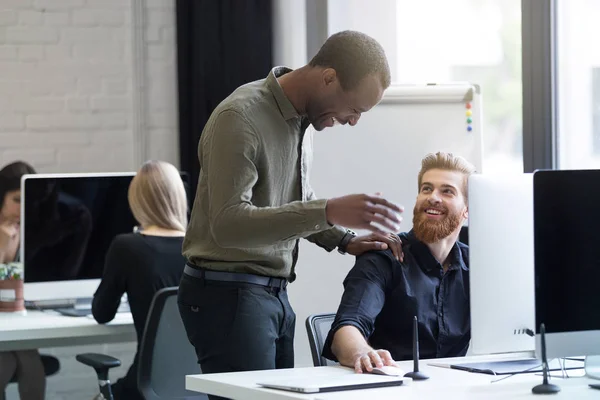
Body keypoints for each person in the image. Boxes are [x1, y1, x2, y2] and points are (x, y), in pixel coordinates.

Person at [178, 30, 405, 394]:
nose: (352, 121)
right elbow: (228, 224)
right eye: (354, 108)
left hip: (272, 295)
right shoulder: (240, 117)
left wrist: (345, 241)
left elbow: (291, 199)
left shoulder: (303, 119)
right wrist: (328, 210)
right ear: (328, 77)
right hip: (229, 293)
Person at [322, 151, 476, 373]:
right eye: (426, 188)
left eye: (447, 191)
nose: (433, 197)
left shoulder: (478, 267)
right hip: (388, 388)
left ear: (467, 210)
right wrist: (361, 353)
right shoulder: (383, 258)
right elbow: (347, 329)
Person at [92, 160, 188, 400]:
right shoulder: (203, 248)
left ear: (138, 202)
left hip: (146, 386)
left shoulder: (127, 247)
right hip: (201, 386)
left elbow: (102, 313)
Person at [0, 161, 46, 400]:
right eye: (17, 199)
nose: (23, 206)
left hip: (13, 320)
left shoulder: (23, 230)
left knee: (27, 359)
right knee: (9, 361)